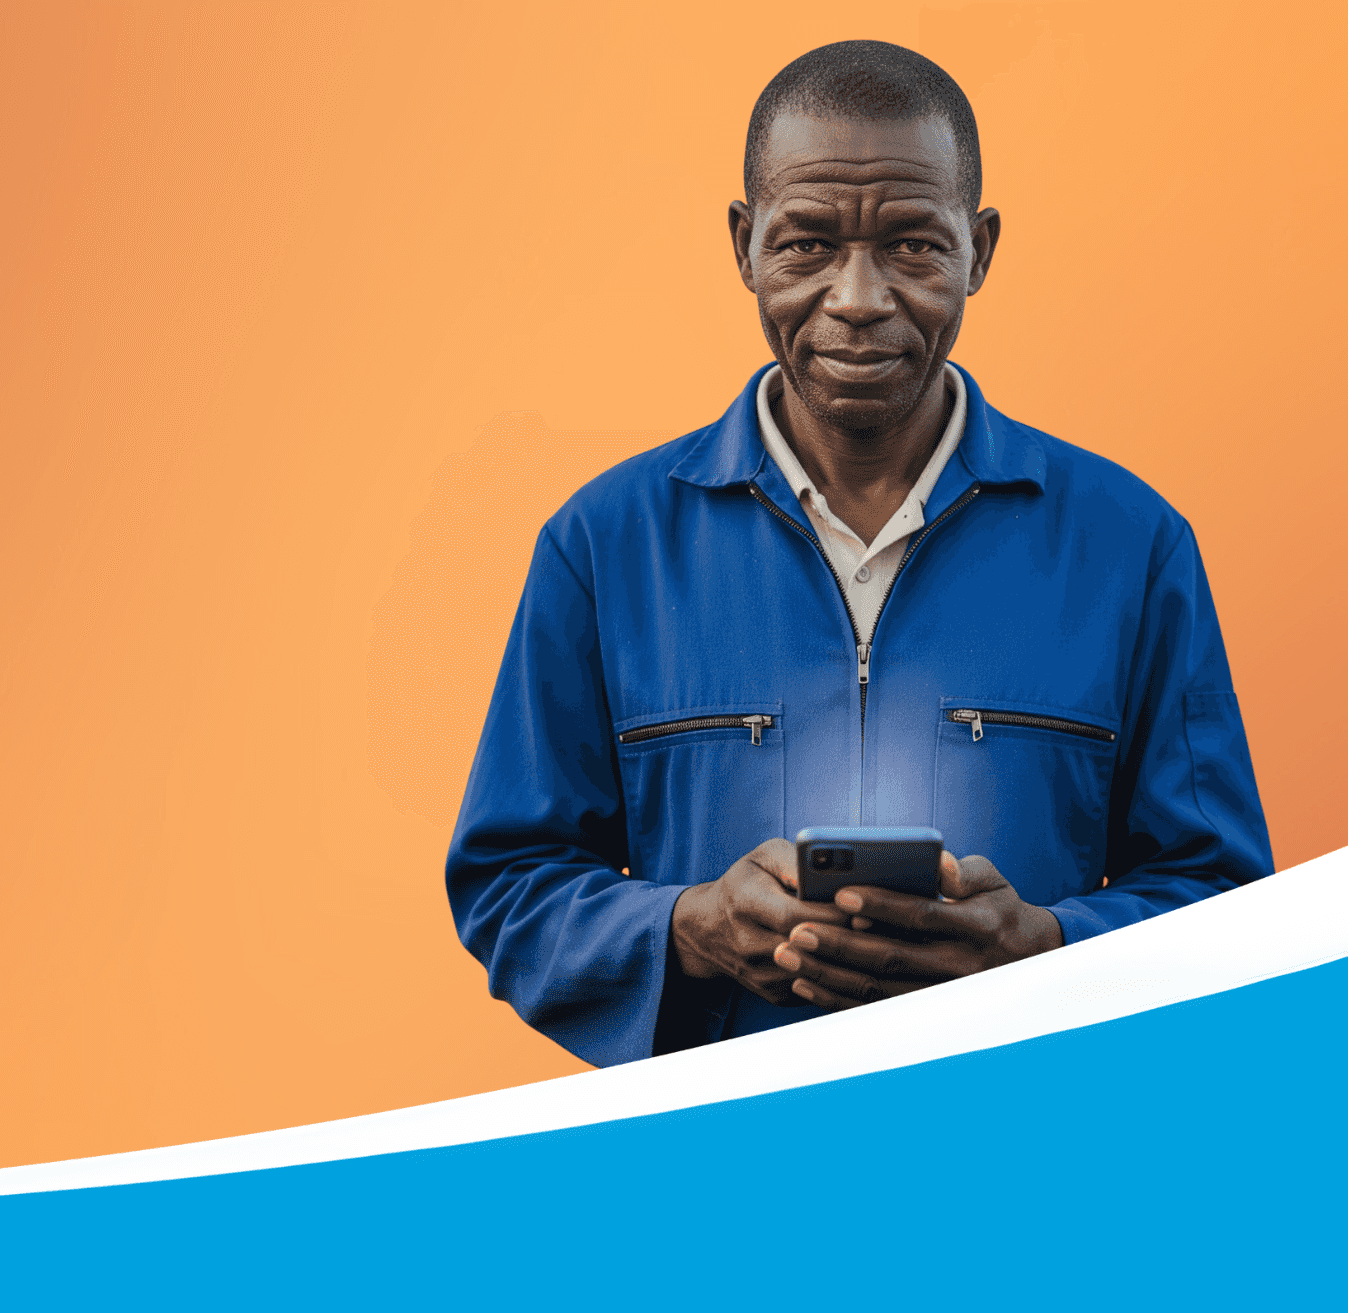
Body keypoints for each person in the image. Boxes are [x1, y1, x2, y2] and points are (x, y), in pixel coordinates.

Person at [446, 40, 1273, 1067]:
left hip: (1029, 1169)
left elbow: (1224, 899)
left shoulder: (1133, 545)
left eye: (915, 247)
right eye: (807, 245)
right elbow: (509, 882)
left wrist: (1047, 946)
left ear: (981, 248)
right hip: (724, 1173)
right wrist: (688, 925)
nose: (859, 298)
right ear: (744, 245)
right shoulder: (601, 547)